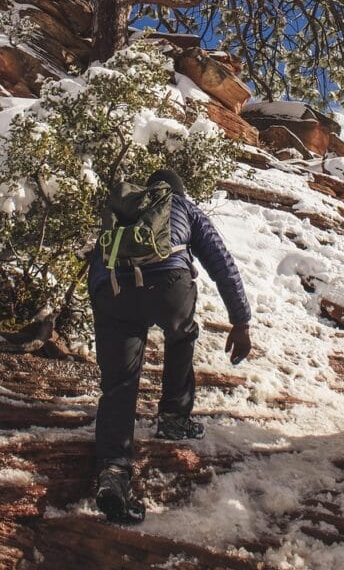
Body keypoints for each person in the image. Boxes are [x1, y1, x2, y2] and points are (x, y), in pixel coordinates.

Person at [88, 168, 252, 525]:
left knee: (119, 383)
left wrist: (106, 312)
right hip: (170, 286)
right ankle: (175, 418)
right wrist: (240, 322)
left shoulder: (124, 208)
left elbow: (97, 263)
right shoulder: (184, 206)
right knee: (181, 334)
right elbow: (222, 264)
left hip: (114, 290)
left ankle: (113, 473)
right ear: (176, 191)